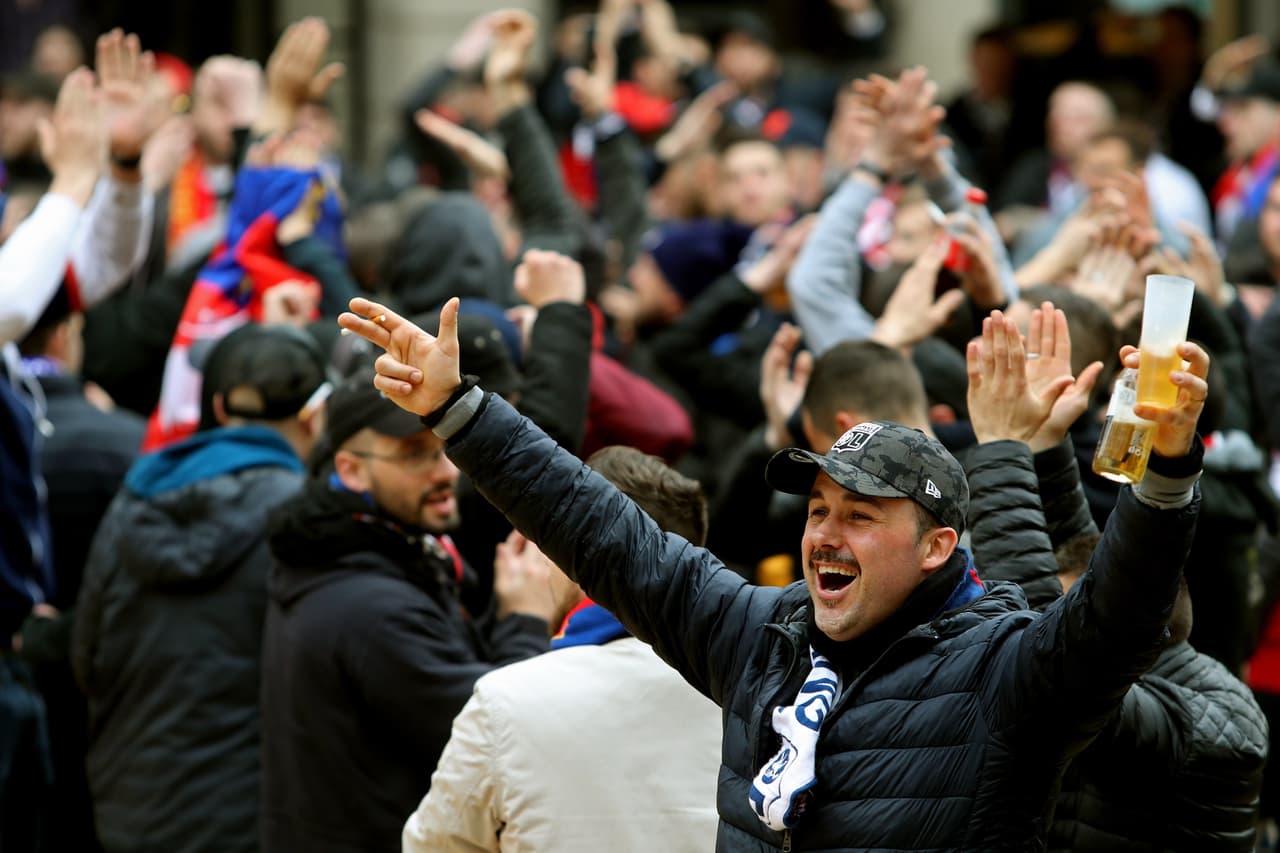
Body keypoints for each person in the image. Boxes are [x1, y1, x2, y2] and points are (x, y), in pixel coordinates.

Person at [338, 293, 1209, 850]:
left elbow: (1118, 618)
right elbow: (605, 532)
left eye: (861, 516)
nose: (825, 535)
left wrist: (1166, 471)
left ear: (937, 546)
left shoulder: (1002, 667)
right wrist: (462, 411)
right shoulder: (767, 634)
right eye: (819, 509)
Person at [960, 303, 1267, 851]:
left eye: (1072, 620)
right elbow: (1080, 550)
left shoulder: (1216, 720)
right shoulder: (1140, 651)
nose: (1061, 627)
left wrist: (1000, 450)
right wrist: (1039, 444)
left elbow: (1049, 668)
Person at [259, 369, 557, 853]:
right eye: (415, 454)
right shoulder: (372, 609)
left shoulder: (361, 556)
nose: (446, 473)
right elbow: (497, 736)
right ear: (351, 470)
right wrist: (524, 619)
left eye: (444, 448)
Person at [71, 323, 328, 853]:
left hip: (131, 803)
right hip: (250, 812)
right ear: (313, 418)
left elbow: (85, 654)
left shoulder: (133, 501)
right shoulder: (308, 519)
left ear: (218, 408)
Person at [404, 445, 722, 852]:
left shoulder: (502, 704)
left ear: (570, 554)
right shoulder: (755, 690)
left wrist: (522, 623)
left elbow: (431, 847)